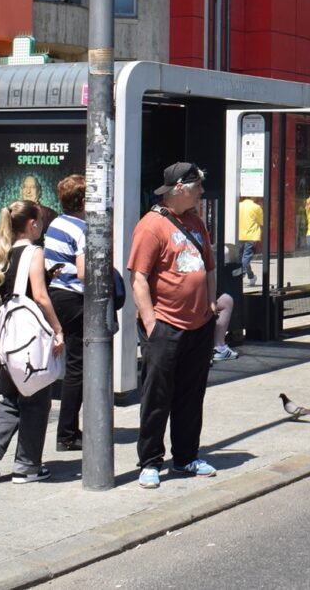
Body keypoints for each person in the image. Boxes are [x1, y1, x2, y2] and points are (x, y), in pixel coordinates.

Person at [129, 162, 218, 488]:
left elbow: (208, 266)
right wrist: (151, 322)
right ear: (180, 188)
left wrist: (209, 304)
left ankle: (185, 457)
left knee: (191, 395)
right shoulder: (151, 226)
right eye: (197, 188)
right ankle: (150, 461)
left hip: (198, 325)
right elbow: (138, 278)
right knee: (157, 396)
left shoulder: (195, 222)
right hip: (165, 325)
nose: (202, 192)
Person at [0, 200, 63, 483]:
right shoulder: (35, 252)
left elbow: (11, 290)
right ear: (32, 224)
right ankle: (27, 466)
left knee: (10, 397)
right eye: (41, 220)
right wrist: (58, 329)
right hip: (30, 340)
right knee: (36, 400)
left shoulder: (5, 251)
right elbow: (40, 296)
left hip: (8, 334)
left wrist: (47, 276)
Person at [43, 174, 87, 451]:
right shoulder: (82, 229)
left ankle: (69, 430)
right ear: (83, 201)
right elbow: (84, 273)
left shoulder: (56, 223)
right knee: (79, 368)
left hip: (58, 296)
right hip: (75, 299)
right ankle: (67, 433)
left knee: (74, 365)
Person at [236, 194, 263, 287]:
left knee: (243, 258)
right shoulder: (256, 207)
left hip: (239, 235)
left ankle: (251, 277)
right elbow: (262, 221)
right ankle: (241, 274)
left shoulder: (238, 205)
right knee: (246, 257)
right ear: (253, 196)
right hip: (251, 235)